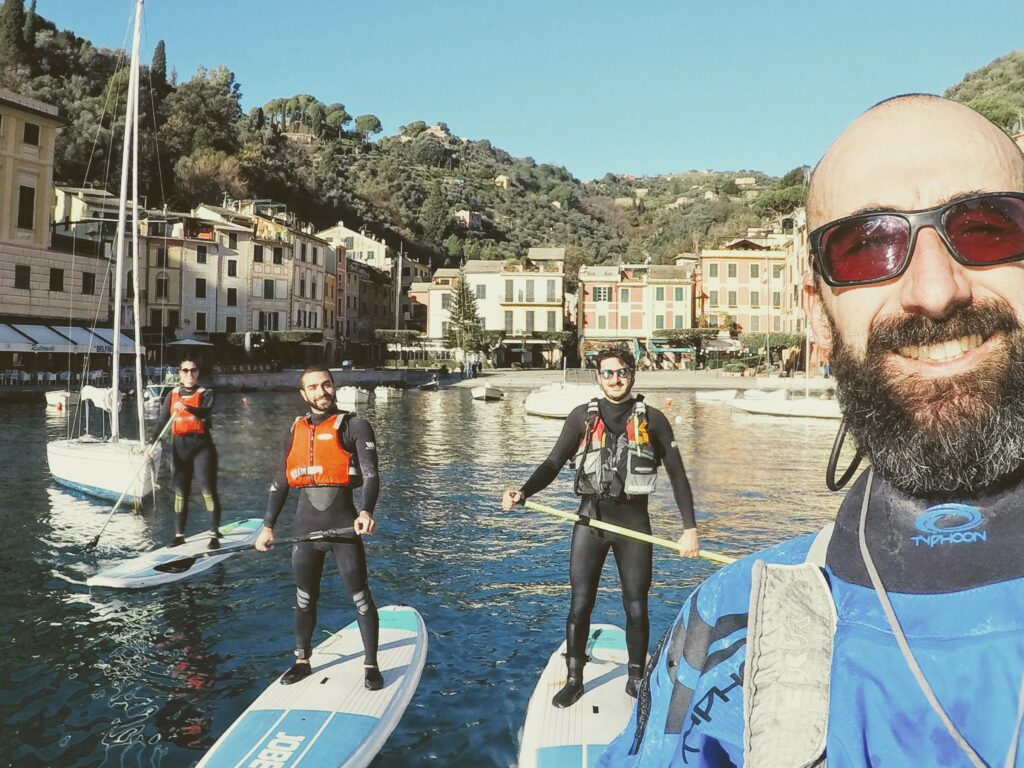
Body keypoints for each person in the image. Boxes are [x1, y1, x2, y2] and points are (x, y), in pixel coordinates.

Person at [601, 94, 1024, 767]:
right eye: (867, 247)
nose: (937, 290)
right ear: (818, 318)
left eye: (988, 229)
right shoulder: (728, 626)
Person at [502, 348, 700, 708]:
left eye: (622, 372)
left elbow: (677, 476)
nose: (615, 379)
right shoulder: (581, 417)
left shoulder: (653, 421)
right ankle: (575, 678)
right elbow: (552, 463)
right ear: (598, 378)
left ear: (633, 375)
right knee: (580, 603)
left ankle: (636, 677)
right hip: (589, 522)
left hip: (634, 526)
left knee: (636, 607)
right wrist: (524, 490)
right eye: (608, 373)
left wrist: (690, 528)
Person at [255, 365, 383, 689]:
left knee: (361, 598)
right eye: (313, 387)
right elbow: (280, 483)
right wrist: (268, 526)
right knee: (303, 599)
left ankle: (370, 665)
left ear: (334, 386)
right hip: (304, 532)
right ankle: (302, 660)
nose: (321, 392)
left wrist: (366, 512)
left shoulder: (355, 425)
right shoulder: (293, 431)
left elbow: (371, 476)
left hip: (344, 529)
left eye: (326, 385)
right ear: (304, 394)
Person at [152, 357, 222, 549]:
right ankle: (179, 535)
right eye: (185, 370)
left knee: (207, 491)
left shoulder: (206, 392)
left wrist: (188, 407)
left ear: (197, 373)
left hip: (202, 447)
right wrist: (149, 445)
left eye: (193, 370)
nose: (189, 374)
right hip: (179, 448)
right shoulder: (171, 395)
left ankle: (214, 534)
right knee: (180, 493)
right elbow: (161, 422)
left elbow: (205, 412)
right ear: (180, 374)